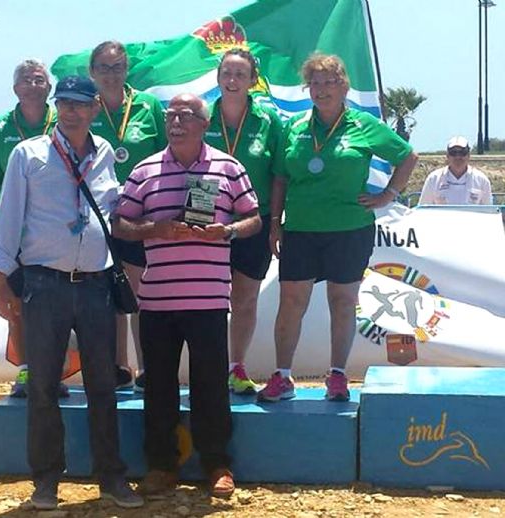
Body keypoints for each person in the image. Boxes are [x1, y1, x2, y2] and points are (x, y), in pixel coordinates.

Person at [0, 75, 143, 510]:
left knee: (103, 384)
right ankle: (46, 482)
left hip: (95, 286)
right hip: (44, 284)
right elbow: (8, 220)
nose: (72, 111)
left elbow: (112, 211)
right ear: (57, 107)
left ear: (95, 109)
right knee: (42, 386)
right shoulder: (28, 154)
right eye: (65, 103)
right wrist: (1, 282)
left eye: (81, 104)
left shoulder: (106, 154)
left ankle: (111, 477)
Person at [114, 93, 261, 498]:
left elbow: (254, 218)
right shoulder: (144, 170)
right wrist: (152, 229)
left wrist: (227, 230)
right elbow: (121, 223)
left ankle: (216, 464)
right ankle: (161, 467)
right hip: (157, 300)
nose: (176, 122)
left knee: (210, 384)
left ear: (204, 122)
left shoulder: (228, 167)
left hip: (209, 298)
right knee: (157, 385)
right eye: (170, 116)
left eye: (185, 115)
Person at [262, 53, 418, 402]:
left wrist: (388, 195)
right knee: (291, 303)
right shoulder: (295, 127)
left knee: (343, 301)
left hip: (349, 229)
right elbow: (280, 178)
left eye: (328, 82)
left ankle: (337, 375)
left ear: (344, 85)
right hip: (301, 229)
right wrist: (275, 222)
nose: (321, 90)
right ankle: (283, 376)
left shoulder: (364, 125)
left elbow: (408, 156)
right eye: (314, 83)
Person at [89, 41, 167, 392]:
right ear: (92, 72)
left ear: (127, 69)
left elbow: (168, 154)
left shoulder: (148, 106)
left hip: (142, 214)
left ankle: (149, 366)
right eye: (103, 68)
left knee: (141, 292)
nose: (110, 75)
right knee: (109, 294)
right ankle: (118, 367)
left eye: (117, 67)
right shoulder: (85, 107)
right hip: (96, 215)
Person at [204, 48, 282, 394]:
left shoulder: (268, 121)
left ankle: (237, 367)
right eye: (227, 73)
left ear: (253, 80)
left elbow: (279, 175)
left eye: (240, 74)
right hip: (206, 219)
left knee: (245, 298)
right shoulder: (202, 117)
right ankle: (209, 367)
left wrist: (276, 222)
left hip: (254, 220)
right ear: (218, 78)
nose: (233, 81)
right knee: (208, 300)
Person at [0, 59, 57, 397]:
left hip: (53, 227)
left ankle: (53, 373)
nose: (33, 84)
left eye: (40, 79)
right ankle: (26, 371)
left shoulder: (63, 120)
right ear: (16, 89)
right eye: (26, 79)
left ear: (49, 88)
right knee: (16, 302)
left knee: (55, 304)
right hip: (13, 230)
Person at [419, 136, 492, 205]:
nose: (458, 157)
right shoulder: (433, 179)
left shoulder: (482, 180)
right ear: (447, 156)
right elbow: (423, 209)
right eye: (453, 153)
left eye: (462, 153)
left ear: (469, 155)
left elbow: (489, 212)